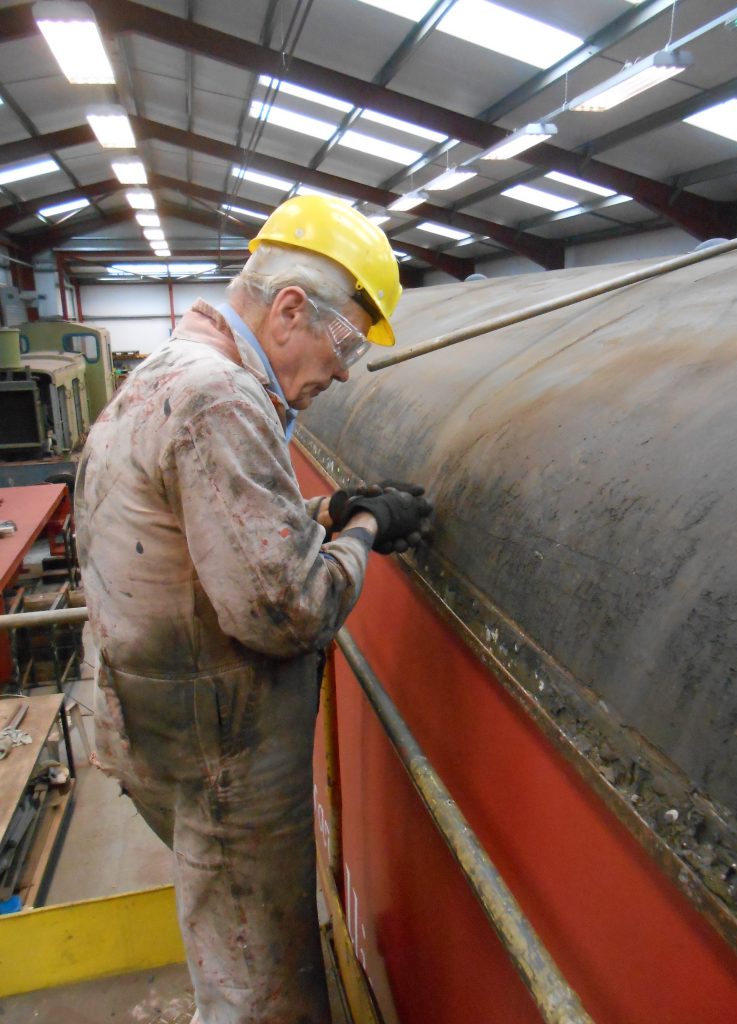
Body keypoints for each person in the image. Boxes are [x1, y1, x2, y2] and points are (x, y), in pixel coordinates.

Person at [74, 195, 432, 1024]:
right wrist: (368, 531)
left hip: (152, 724)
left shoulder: (173, 367)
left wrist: (323, 510)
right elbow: (290, 609)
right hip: (221, 749)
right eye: (344, 343)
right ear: (289, 309)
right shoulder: (220, 400)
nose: (343, 370)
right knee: (259, 989)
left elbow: (204, 537)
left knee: (223, 943)